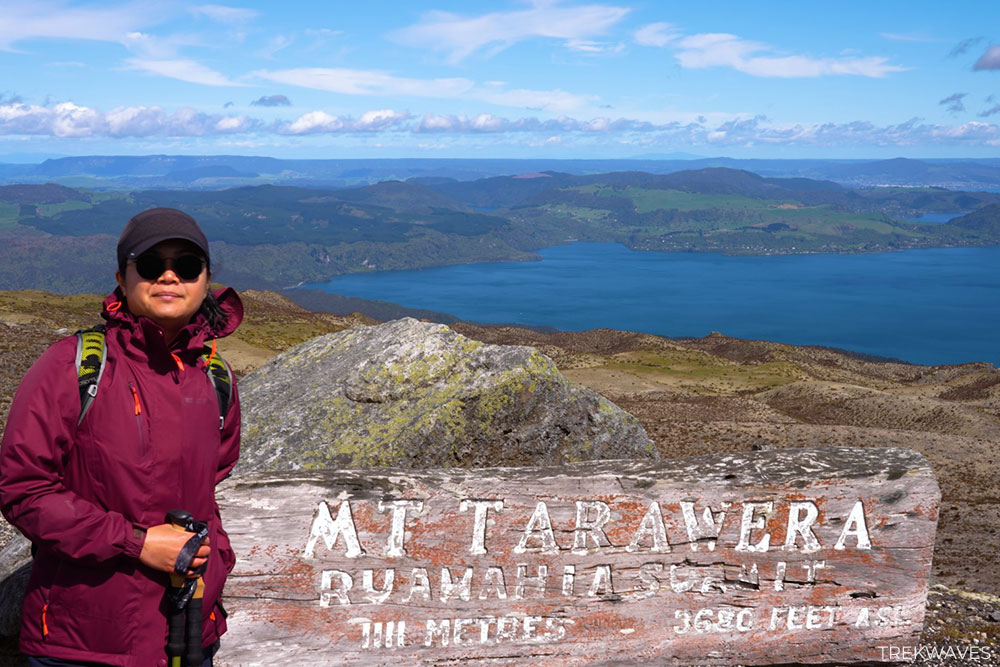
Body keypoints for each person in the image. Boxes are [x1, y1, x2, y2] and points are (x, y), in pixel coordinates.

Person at [0, 208, 243, 667]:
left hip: (189, 632)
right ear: (122, 277)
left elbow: (211, 483)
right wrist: (138, 542)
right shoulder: (70, 367)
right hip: (81, 647)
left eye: (187, 266)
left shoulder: (216, 377)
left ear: (206, 279)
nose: (169, 276)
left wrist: (215, 563)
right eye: (151, 265)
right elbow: (23, 490)